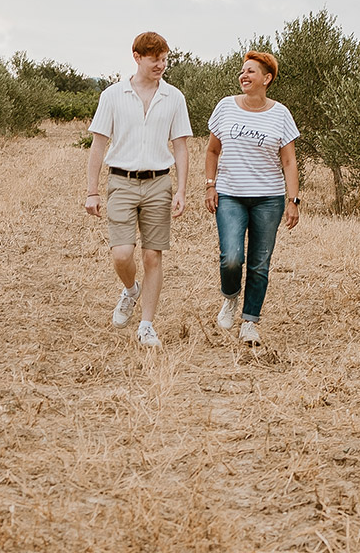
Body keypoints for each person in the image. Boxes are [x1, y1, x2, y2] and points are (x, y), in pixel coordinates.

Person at [84, 32, 192, 349]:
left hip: (159, 182)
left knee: (153, 256)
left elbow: (182, 147)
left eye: (164, 59)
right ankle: (131, 290)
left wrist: (182, 189)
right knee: (122, 254)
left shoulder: (174, 97)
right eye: (154, 59)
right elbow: (98, 144)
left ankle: (147, 326)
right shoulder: (113, 95)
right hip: (121, 181)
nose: (161, 64)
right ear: (137, 57)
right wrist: (92, 191)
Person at [203, 50, 301, 346]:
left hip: (268, 199)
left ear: (267, 79)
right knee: (231, 258)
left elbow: (289, 162)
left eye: (251, 72)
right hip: (230, 195)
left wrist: (293, 201)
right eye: (242, 71)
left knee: (260, 262)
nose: (243, 76)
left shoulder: (281, 114)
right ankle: (231, 298)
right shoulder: (225, 107)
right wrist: (210, 185)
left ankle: (250, 322)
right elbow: (212, 151)